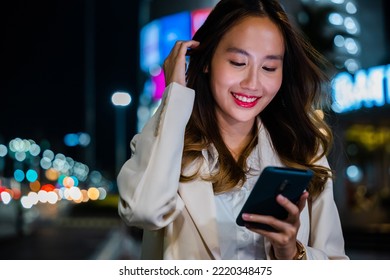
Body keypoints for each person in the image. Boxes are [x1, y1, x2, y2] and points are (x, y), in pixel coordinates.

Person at [117, 0, 349, 260]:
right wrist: (175, 95)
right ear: (206, 61)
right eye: (238, 62)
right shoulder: (164, 142)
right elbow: (144, 211)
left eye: (269, 68)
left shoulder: (303, 150)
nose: (252, 83)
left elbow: (337, 262)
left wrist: (293, 253)